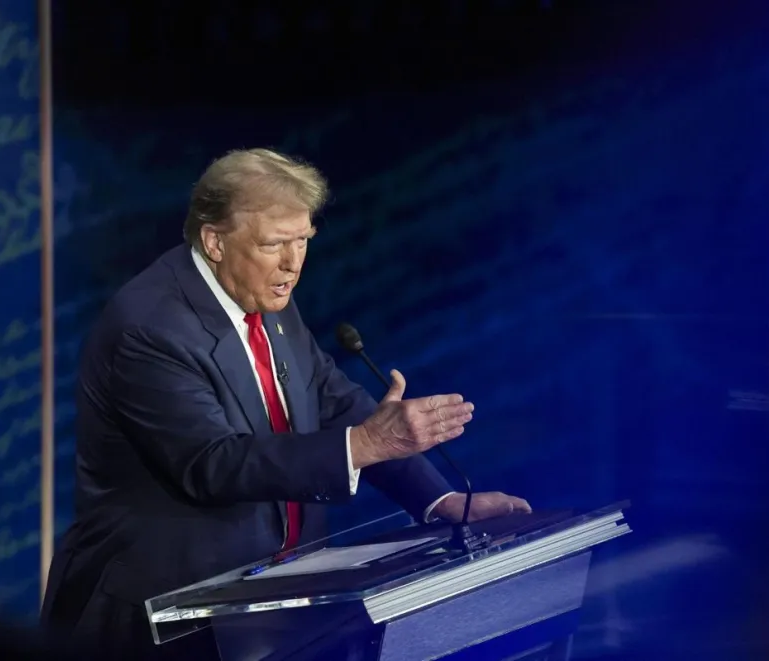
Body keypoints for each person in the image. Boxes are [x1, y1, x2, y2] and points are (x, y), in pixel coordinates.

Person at [40, 148, 530, 658]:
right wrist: (362, 446)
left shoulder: (264, 294)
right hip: (166, 618)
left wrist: (439, 501)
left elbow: (330, 398)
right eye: (275, 244)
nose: (293, 264)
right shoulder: (149, 328)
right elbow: (213, 463)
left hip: (274, 608)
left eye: (302, 241)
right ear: (214, 241)